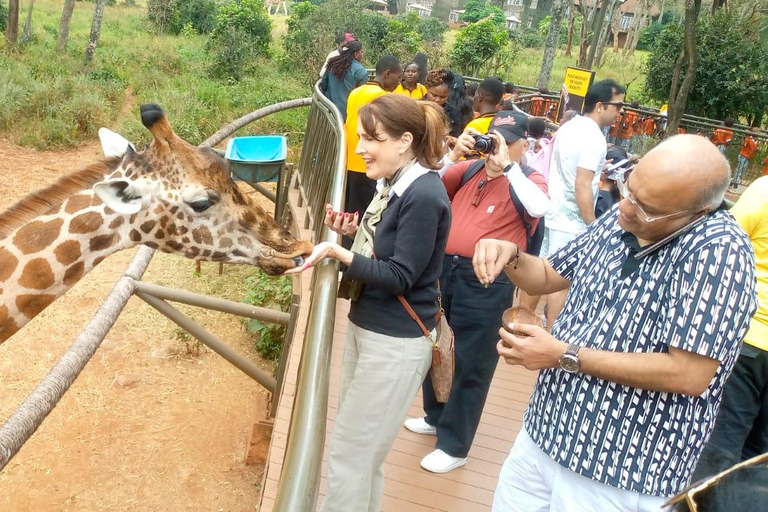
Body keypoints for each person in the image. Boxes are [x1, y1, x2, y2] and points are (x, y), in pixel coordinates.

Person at [473, 134, 758, 511]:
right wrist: (510, 254)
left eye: (646, 207)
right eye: (629, 187)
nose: (625, 206)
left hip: (621, 471)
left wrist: (564, 355)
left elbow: (689, 373)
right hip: (545, 434)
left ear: (699, 212)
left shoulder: (720, 253)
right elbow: (545, 275)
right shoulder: (626, 216)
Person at [289, 94, 451, 512]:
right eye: (360, 137)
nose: (360, 148)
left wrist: (341, 254)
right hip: (371, 329)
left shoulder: (424, 196)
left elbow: (401, 274)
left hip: (393, 342)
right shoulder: (395, 184)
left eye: (371, 139)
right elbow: (390, 247)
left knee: (349, 455)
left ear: (404, 141)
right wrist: (349, 236)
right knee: (363, 458)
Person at [404, 112, 549, 473]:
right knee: (438, 344)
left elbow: (540, 207)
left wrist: (509, 167)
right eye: (491, 138)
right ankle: (435, 416)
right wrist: (454, 155)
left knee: (472, 359)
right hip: (445, 271)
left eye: (504, 140)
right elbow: (419, 183)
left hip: (487, 278)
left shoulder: (529, 178)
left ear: (522, 145)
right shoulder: (470, 171)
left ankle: (454, 445)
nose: (494, 146)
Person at [690, 175, 768, 511]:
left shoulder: (764, 190)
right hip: (750, 342)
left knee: (721, 440)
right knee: (761, 455)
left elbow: (729, 241)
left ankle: (700, 505)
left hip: (747, 339)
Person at [539, 78, 625, 330]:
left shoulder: (569, 126)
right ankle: (553, 339)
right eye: (617, 106)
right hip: (571, 221)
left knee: (540, 272)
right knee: (560, 281)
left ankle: (522, 323)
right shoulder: (595, 138)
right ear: (600, 106)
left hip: (550, 211)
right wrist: (593, 224)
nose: (620, 112)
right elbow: (582, 184)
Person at [343, 55, 402, 229]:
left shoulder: (356, 91)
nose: (398, 83)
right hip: (368, 162)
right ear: (388, 74)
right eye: (398, 78)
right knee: (363, 214)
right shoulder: (382, 98)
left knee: (349, 210)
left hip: (350, 157)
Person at [320, 41, 368, 121]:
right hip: (346, 114)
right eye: (361, 52)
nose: (362, 55)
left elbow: (324, 83)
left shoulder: (333, 63)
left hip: (327, 109)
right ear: (356, 54)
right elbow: (360, 96)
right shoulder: (361, 71)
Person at [425, 69, 474, 139]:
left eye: (443, 97)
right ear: (427, 88)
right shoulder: (416, 107)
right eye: (434, 95)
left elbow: (454, 137)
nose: (437, 100)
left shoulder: (453, 113)